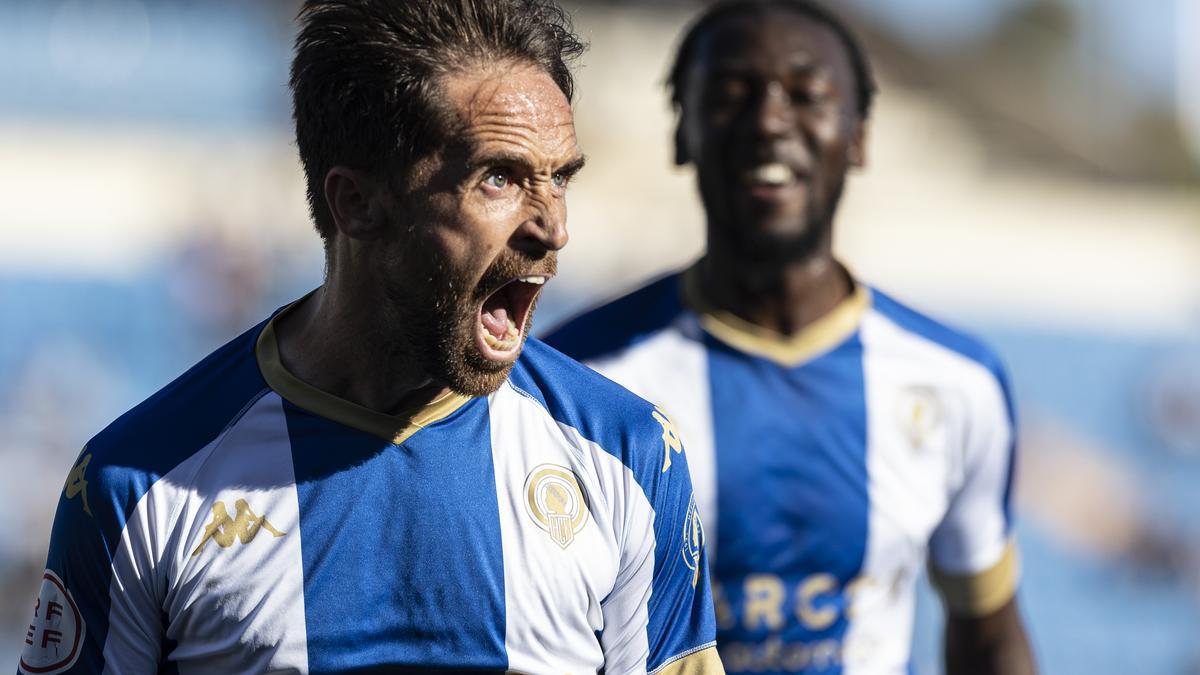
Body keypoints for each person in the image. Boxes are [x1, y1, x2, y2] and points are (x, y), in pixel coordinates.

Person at [18, 1, 723, 673]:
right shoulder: (139, 482)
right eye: (500, 178)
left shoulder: (629, 456)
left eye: (560, 179)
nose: (553, 229)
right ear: (356, 203)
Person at [546, 1, 1036, 673]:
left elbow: (989, 635)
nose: (770, 121)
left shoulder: (958, 382)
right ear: (682, 134)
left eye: (807, 94)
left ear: (859, 136)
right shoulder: (579, 382)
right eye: (729, 95)